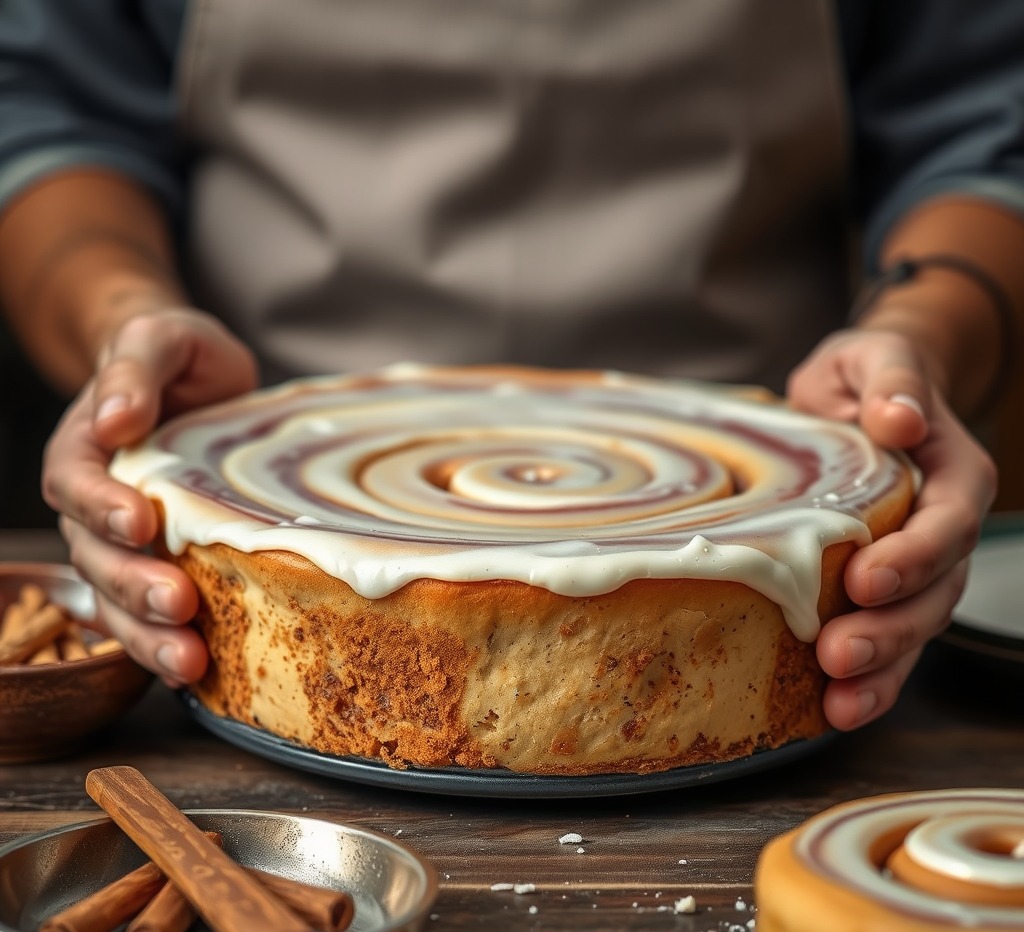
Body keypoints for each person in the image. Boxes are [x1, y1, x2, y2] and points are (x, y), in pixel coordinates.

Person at [0, 1, 1014, 734]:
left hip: (775, 492)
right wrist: (127, 323)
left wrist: (914, 348)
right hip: (260, 464)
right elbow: (54, 108)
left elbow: (982, 120)